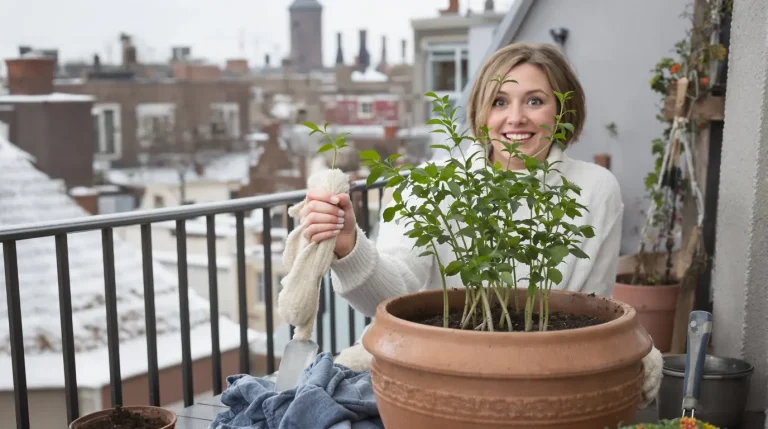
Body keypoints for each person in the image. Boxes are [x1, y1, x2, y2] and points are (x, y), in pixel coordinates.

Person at [299, 42, 623, 314]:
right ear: (481, 113)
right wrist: (350, 246)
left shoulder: (596, 188)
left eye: (535, 101)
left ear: (563, 111)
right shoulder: (428, 184)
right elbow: (393, 295)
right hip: (444, 369)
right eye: (499, 102)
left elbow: (594, 309)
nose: (515, 118)